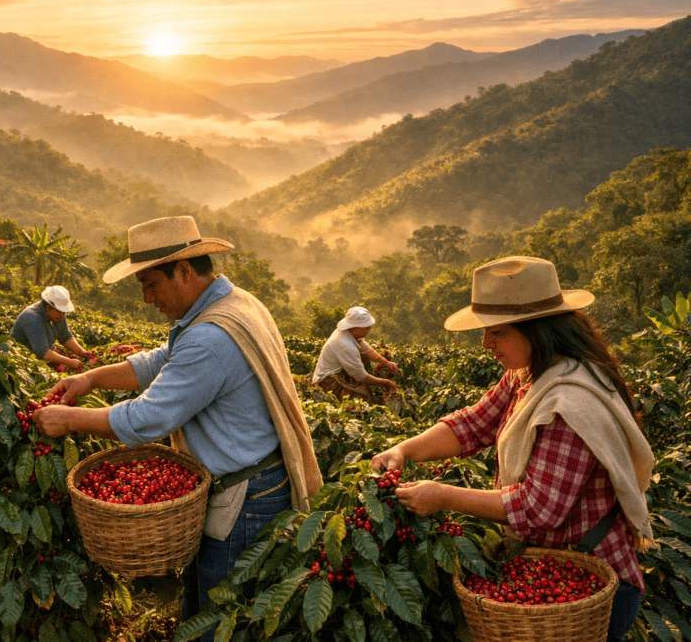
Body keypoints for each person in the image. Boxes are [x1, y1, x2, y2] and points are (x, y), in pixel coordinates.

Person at [33, 216, 322, 640]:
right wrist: (91, 379)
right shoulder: (231, 304)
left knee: (221, 621)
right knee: (202, 607)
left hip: (246, 498)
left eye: (151, 284)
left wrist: (71, 419)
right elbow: (159, 360)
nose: (147, 298)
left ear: (185, 272)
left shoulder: (211, 337)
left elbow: (147, 419)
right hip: (252, 480)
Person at [371, 256, 654, 642]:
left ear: (538, 330)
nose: (486, 344)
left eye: (498, 333)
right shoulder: (529, 373)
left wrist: (441, 496)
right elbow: (474, 423)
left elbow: (539, 510)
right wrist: (405, 450)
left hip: (589, 584)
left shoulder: (569, 405)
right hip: (546, 566)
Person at [311, 306, 400, 403]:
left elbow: (368, 351)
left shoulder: (351, 334)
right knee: (360, 398)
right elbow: (361, 376)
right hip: (328, 381)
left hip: (340, 372)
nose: (369, 329)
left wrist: (386, 363)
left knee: (363, 357)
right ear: (354, 328)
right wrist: (385, 382)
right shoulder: (346, 344)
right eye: (366, 327)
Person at [10, 285, 96, 371]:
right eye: (59, 311)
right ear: (48, 308)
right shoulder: (32, 318)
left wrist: (82, 352)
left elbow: (66, 337)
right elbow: (44, 353)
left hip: (39, 359)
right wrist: (70, 362)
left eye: (64, 312)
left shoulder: (58, 316)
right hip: (21, 362)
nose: (62, 315)